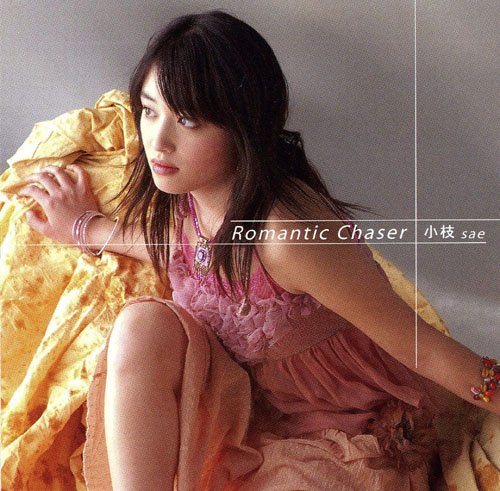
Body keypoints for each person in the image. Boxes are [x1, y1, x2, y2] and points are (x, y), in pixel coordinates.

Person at [16, 10, 499, 490]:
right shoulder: (185, 193)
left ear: (242, 125)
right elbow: (177, 251)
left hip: (337, 424)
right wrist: (83, 226)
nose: (158, 140)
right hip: (243, 400)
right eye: (149, 109)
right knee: (142, 323)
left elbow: (426, 352)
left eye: (188, 120)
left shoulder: (287, 237)